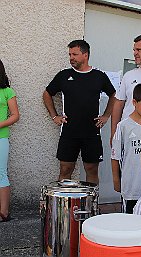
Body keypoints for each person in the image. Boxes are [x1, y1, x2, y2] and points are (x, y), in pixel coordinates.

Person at [43, 40, 116, 184]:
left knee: (91, 169)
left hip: (92, 132)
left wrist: (106, 115)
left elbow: (114, 94)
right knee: (65, 170)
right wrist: (54, 116)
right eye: (70, 54)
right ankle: (64, 206)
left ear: (85, 55)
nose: (71, 57)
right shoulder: (64, 75)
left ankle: (91, 206)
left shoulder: (98, 76)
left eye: (75, 54)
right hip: (69, 131)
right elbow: (47, 93)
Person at [111, 82, 141, 213]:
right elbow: (115, 156)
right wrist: (116, 180)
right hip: (130, 187)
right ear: (134, 102)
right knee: (130, 223)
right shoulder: (123, 126)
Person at [0, 59, 20, 222]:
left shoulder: (7, 91)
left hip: (1, 138)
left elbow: (15, 115)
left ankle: (4, 213)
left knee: (1, 174)